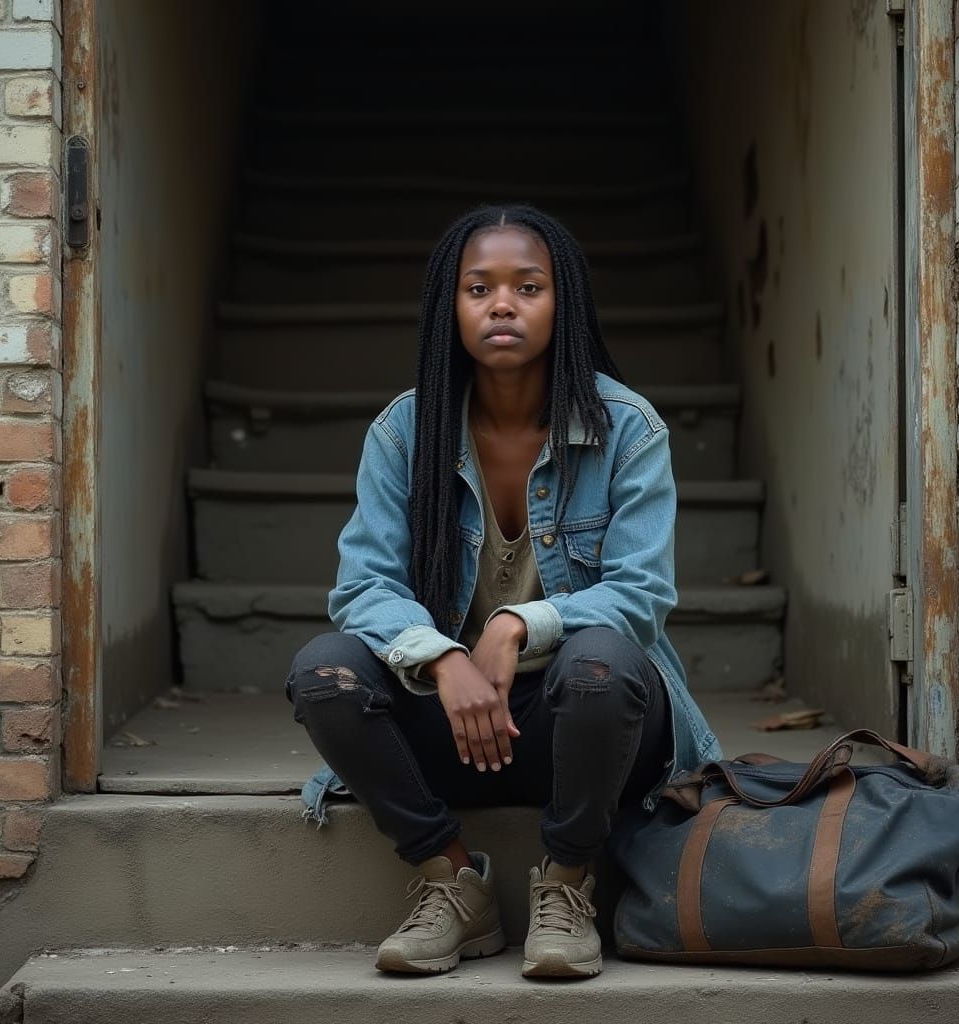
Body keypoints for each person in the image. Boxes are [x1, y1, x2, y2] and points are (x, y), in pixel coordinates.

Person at [285, 205, 720, 979]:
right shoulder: (402, 434)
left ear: (565, 303)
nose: (502, 305)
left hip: (583, 731)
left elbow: (642, 592)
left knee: (602, 663)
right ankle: (452, 880)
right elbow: (363, 586)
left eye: (528, 287)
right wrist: (442, 659)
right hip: (450, 723)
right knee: (324, 670)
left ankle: (568, 882)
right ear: (448, 309)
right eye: (478, 288)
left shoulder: (627, 428)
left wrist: (521, 621)